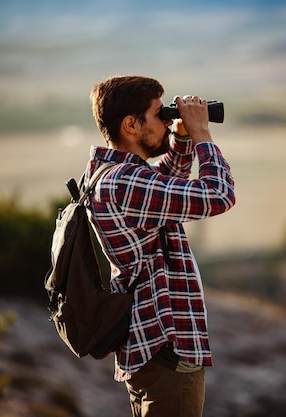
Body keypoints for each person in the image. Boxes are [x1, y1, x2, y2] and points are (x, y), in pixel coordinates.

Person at [86, 75, 235, 417]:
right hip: (167, 353)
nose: (167, 121)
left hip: (151, 353)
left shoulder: (109, 176)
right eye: (159, 114)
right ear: (131, 124)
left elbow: (165, 186)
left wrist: (180, 138)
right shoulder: (126, 184)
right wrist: (202, 136)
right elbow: (219, 195)